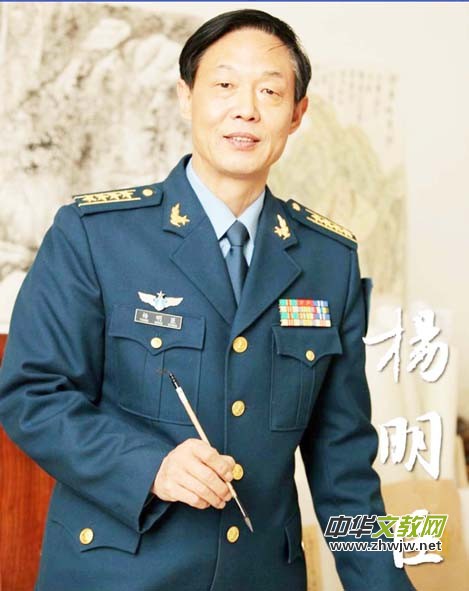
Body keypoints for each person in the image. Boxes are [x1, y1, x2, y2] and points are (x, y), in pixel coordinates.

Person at [0, 9, 416, 591]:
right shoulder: (94, 235)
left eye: (269, 91)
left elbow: (343, 465)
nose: (246, 109)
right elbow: (32, 395)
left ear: (297, 113)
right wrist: (151, 467)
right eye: (224, 85)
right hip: (117, 574)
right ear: (185, 97)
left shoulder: (330, 262)